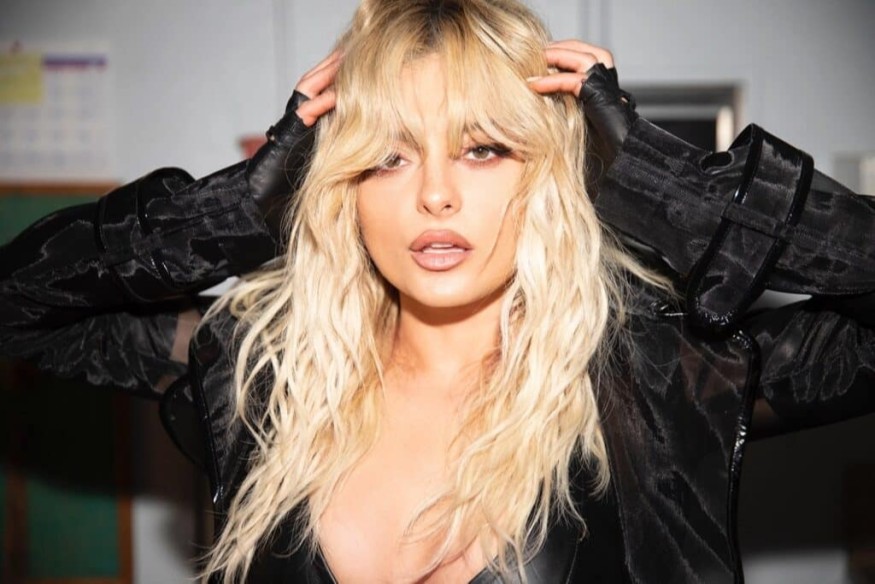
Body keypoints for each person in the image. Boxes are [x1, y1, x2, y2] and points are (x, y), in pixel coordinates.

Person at [1, 0, 874, 582]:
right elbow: (20, 308)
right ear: (341, 184)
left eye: (482, 149)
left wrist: (668, 185)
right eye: (388, 156)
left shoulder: (660, 375)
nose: (433, 194)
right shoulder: (264, 373)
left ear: (546, 174)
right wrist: (238, 206)